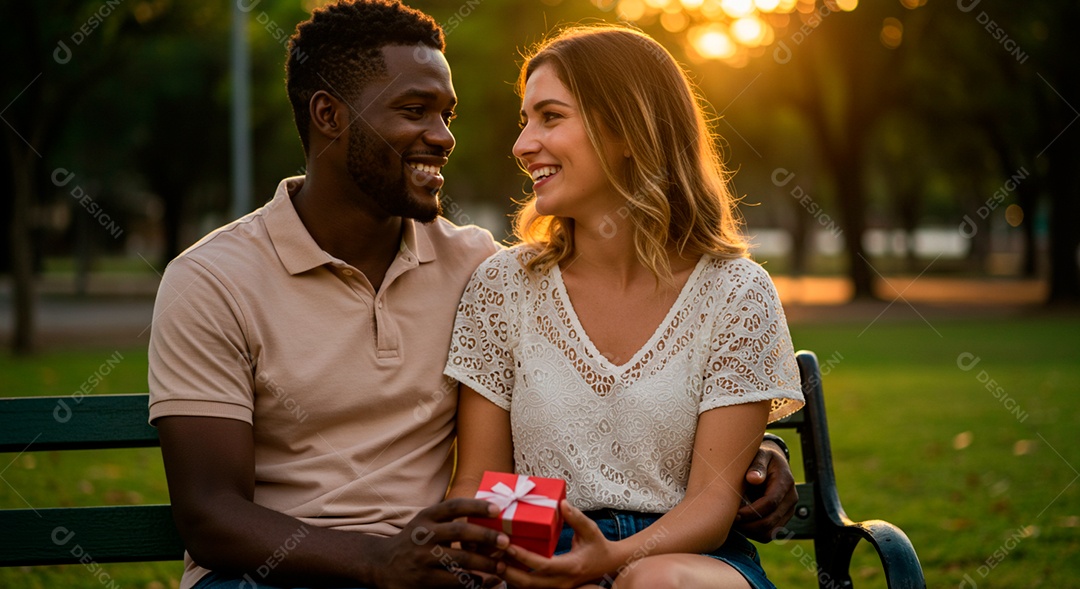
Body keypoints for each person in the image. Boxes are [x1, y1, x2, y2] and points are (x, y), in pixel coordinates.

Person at [148, 2, 796, 588]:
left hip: (449, 567)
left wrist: (756, 452)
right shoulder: (213, 279)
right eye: (414, 110)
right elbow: (210, 512)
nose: (445, 136)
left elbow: (653, 417)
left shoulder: (472, 264)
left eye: (446, 113)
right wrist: (383, 563)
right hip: (284, 574)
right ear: (329, 115)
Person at [445, 25, 805, 589]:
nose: (522, 145)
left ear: (628, 131)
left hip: (693, 561)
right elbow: (480, 483)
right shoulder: (503, 287)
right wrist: (498, 565)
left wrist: (609, 562)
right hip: (538, 558)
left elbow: (711, 509)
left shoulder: (736, 293)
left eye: (551, 117)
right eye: (524, 121)